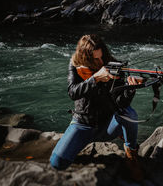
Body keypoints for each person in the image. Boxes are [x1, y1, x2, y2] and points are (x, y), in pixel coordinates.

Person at [50, 34, 143, 181]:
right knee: (57, 163)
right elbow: (72, 92)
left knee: (129, 113)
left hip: (108, 125)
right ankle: (79, 142)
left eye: (102, 57)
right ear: (85, 58)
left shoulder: (114, 65)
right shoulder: (75, 64)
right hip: (83, 124)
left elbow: (121, 103)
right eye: (96, 59)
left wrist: (130, 89)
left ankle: (131, 153)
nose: (101, 62)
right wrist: (95, 79)